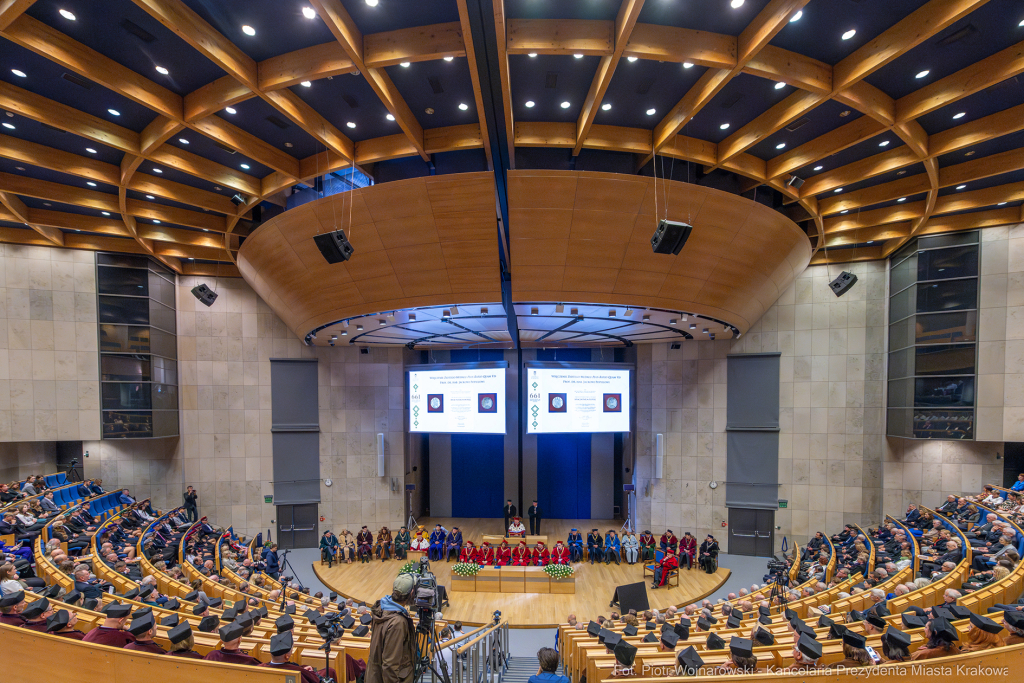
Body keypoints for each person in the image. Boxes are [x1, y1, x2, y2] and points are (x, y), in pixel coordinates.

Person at [366, 574, 417, 683]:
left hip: (375, 675)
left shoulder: (382, 608)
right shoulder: (398, 623)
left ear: (393, 589)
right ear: (411, 593)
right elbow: (390, 665)